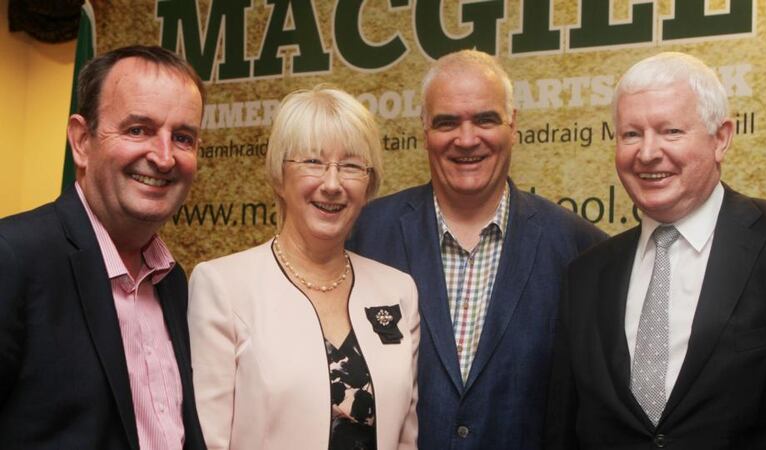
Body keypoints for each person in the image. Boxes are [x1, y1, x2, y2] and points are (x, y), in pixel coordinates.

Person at [347, 50, 607, 449]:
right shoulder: (365, 236)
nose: (466, 140)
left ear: (513, 124)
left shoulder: (578, 248)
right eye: (447, 122)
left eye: (485, 119)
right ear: (424, 131)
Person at [545, 52, 766, 448]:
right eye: (631, 134)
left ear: (721, 138)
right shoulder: (586, 274)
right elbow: (565, 428)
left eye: (670, 131)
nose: (647, 153)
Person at [188, 85, 420, 450]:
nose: (332, 183)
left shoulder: (398, 291)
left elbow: (406, 440)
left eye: (351, 166)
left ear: (369, 183)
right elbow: (208, 441)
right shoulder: (223, 287)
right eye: (312, 162)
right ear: (279, 176)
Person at [0, 45, 206, 449]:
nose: (164, 158)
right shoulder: (14, 257)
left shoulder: (172, 281)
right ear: (81, 141)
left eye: (182, 138)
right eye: (138, 130)